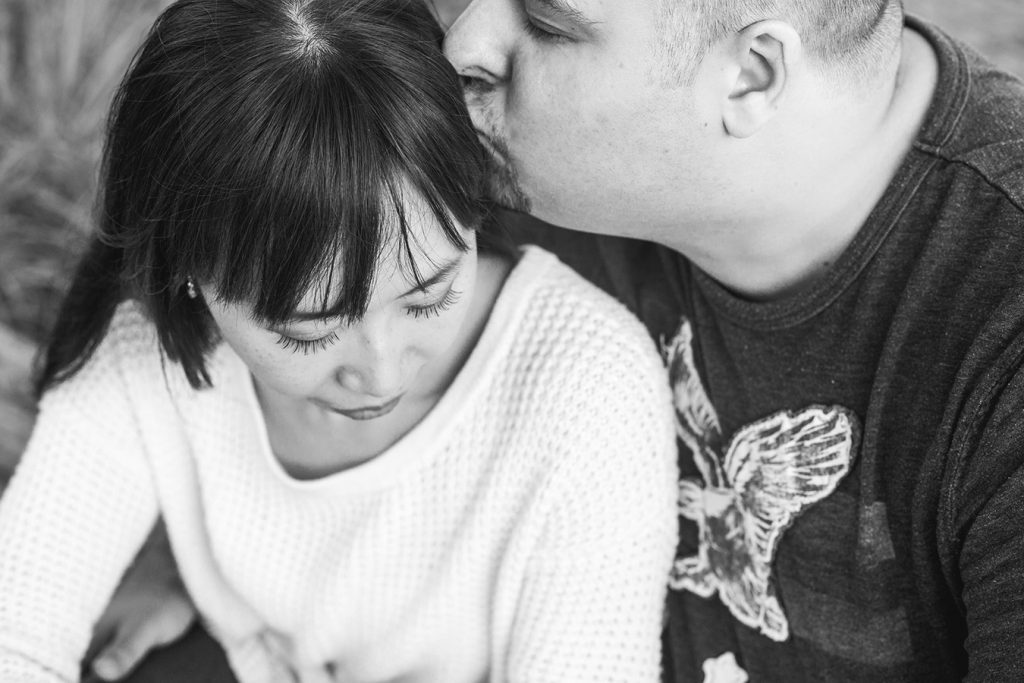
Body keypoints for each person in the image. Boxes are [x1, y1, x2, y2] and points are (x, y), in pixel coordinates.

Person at [70, 0, 1024, 680]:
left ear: (753, 72)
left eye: (547, 19)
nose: (466, 40)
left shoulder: (996, 323)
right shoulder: (516, 149)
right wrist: (199, 530)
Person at [0, 0, 680, 681]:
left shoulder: (590, 385)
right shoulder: (142, 345)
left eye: (430, 294)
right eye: (310, 330)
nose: (382, 372)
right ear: (189, 274)